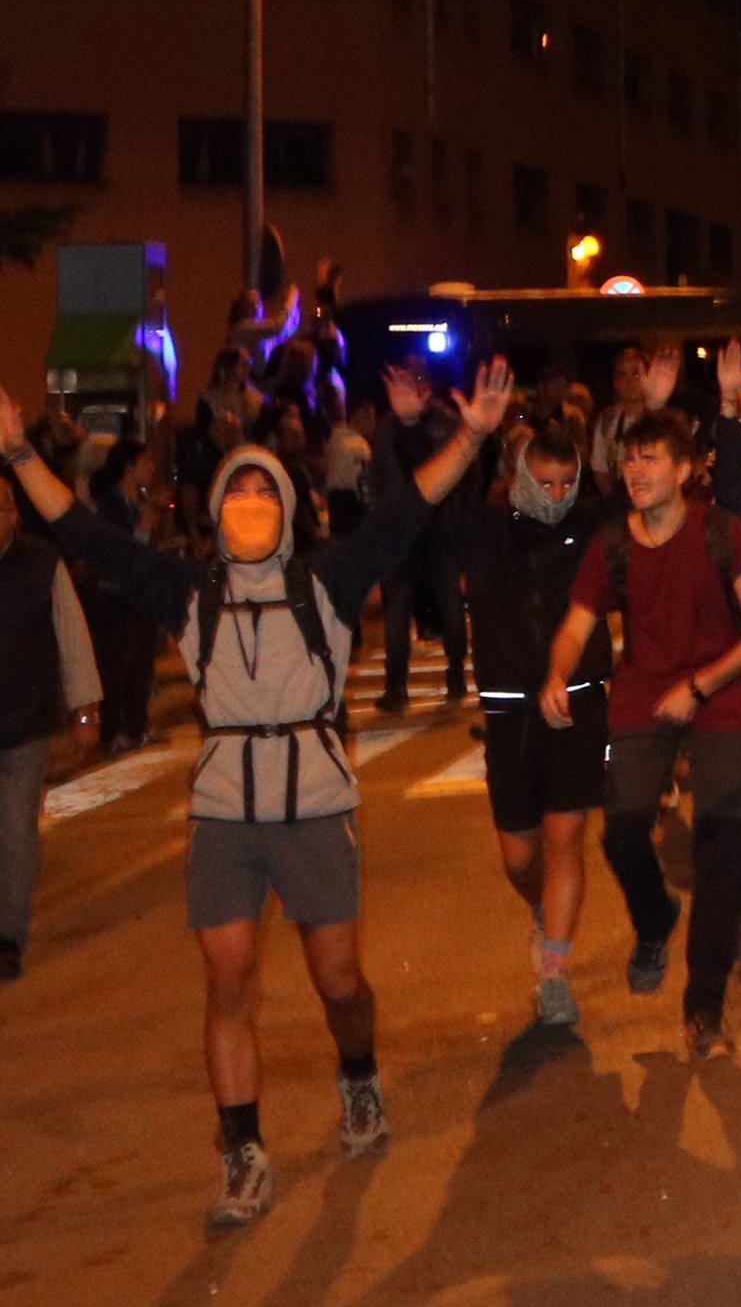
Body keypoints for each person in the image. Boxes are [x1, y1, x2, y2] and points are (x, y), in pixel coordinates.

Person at [6, 372, 444, 1227]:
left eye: (263, 488)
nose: (249, 499)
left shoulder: (328, 581)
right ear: (215, 508)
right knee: (229, 973)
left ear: (286, 504)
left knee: (339, 978)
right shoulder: (189, 590)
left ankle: (358, 1076)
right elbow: (83, 532)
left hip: (314, 801)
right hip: (223, 809)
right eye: (235, 488)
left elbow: (404, 516)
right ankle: (241, 1150)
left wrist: (462, 434)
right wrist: (18, 451)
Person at [544, 403, 741, 1058]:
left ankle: (703, 1001)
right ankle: (654, 920)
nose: (636, 470)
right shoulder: (613, 545)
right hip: (644, 693)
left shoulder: (722, 533)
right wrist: (555, 673)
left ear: (685, 469)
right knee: (622, 829)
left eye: (651, 458)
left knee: (719, 838)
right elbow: (576, 623)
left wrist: (703, 684)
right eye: (629, 457)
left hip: (721, 693)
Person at [435, 389, 611, 1029]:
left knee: (567, 838)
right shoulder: (485, 529)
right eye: (546, 482)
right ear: (519, 476)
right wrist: (460, 432)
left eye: (568, 482)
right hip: (510, 709)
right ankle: (544, 915)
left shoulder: (591, 525)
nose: (558, 494)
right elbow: (426, 502)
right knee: (519, 856)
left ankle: (555, 972)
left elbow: (642, 495)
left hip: (578, 700)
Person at [0, 410, 100, 984]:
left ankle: (8, 935)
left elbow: (72, 638)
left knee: (15, 833)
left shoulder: (41, 564)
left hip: (24, 725)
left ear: (13, 512)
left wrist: (84, 711)